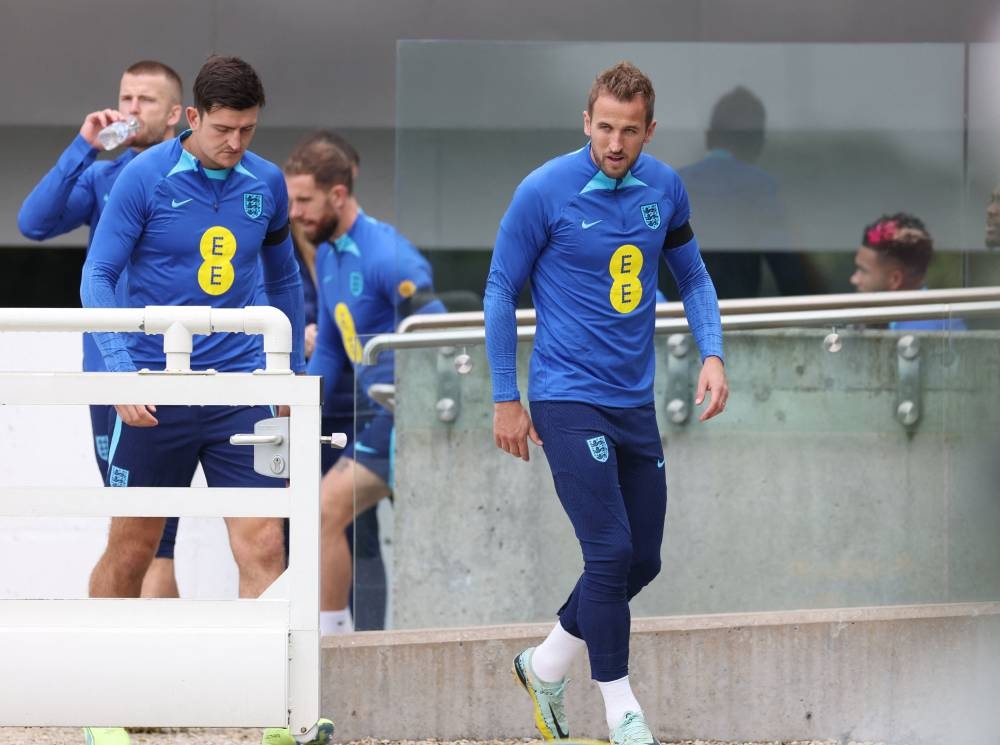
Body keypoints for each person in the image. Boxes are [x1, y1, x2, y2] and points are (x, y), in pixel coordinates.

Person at [484, 62, 728, 745]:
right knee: (610, 548)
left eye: (629, 131)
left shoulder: (666, 188)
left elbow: (694, 276)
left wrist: (712, 350)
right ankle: (622, 707)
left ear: (650, 130)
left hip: (633, 401)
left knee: (641, 559)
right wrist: (506, 395)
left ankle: (547, 661)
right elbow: (501, 288)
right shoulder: (543, 191)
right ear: (585, 122)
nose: (615, 143)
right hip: (565, 397)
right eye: (603, 127)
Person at [79, 55, 310, 745]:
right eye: (224, 130)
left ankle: (269, 703)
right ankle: (101, 701)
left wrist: (289, 369)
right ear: (192, 118)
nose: (236, 143)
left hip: (241, 385)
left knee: (266, 539)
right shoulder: (141, 178)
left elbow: (286, 282)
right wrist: (120, 370)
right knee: (134, 544)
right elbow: (98, 274)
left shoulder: (265, 183)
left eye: (248, 130)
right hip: (155, 387)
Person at [17, 59, 184, 599]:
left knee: (160, 537)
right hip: (113, 370)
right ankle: (128, 661)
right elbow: (34, 223)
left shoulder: (194, 177)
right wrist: (84, 144)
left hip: (185, 365)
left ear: (177, 114)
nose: (133, 110)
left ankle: (153, 666)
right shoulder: (104, 175)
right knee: (139, 533)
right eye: (126, 98)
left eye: (147, 101)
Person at [284, 131, 445, 635]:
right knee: (326, 514)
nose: (294, 213)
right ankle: (334, 647)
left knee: (332, 514)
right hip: (382, 417)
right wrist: (298, 406)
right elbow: (331, 346)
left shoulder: (384, 254)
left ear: (337, 195)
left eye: (304, 201)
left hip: (417, 420)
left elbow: (438, 330)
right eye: (291, 201)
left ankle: (344, 647)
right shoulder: (329, 253)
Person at [677, 86, 811, 299]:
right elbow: (788, 269)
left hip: (677, 319)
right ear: (758, 142)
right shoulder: (759, 186)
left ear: (709, 137)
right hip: (735, 319)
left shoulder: (675, 183)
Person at [850, 212, 967, 330]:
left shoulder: (917, 335)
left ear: (895, 280)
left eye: (863, 270)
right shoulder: (940, 318)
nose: (854, 279)